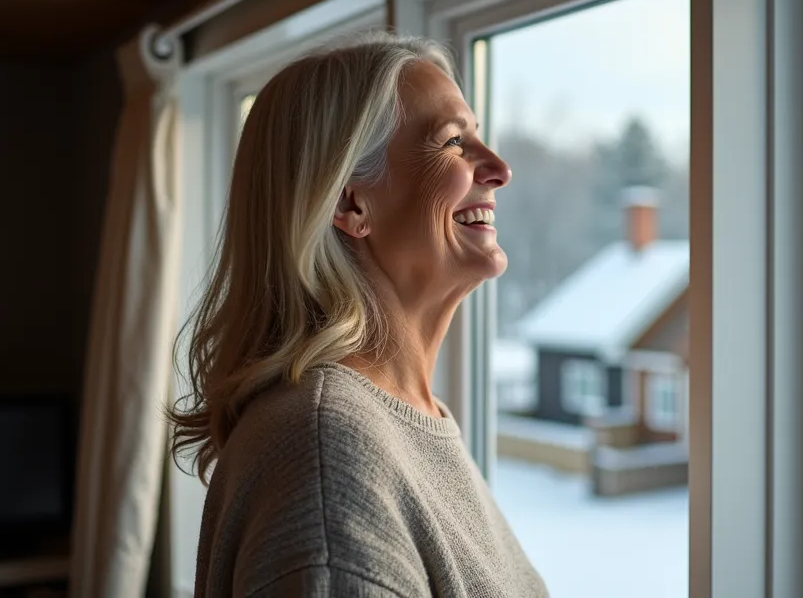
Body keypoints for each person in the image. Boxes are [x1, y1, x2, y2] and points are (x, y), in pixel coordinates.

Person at [170, 32, 547, 597]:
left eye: (476, 137)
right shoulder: (330, 458)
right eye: (451, 142)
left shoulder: (403, 418)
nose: (497, 169)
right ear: (350, 203)